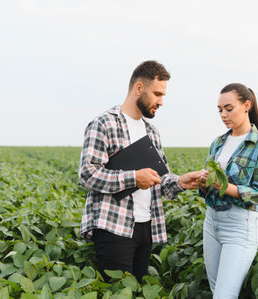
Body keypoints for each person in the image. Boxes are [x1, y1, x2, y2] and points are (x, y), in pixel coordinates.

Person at [78, 60, 201, 283]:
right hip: (114, 227)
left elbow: (160, 180)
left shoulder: (151, 131)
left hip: (146, 227)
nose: (161, 102)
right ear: (138, 88)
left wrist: (181, 181)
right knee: (118, 292)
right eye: (157, 94)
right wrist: (134, 177)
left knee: (138, 290)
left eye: (163, 95)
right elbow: (87, 173)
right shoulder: (104, 124)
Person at [199, 83, 258, 298]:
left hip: (239, 226)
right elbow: (207, 190)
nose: (223, 114)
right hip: (211, 222)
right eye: (220, 110)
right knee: (218, 292)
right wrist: (204, 184)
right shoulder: (218, 143)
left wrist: (224, 186)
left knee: (224, 295)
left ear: (246, 105)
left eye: (229, 108)